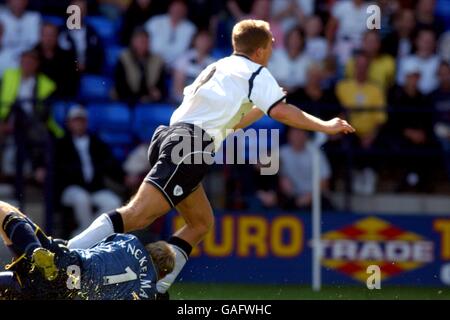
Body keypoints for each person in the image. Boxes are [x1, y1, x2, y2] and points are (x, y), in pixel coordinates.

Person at [67, 19, 355, 299]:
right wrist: (326, 125)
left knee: (201, 222)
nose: (272, 49)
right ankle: (66, 255)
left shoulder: (219, 66)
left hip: (172, 138)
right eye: (271, 45)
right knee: (139, 215)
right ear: (260, 50)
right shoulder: (256, 72)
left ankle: (157, 289)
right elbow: (282, 112)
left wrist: (261, 108)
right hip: (190, 146)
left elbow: (233, 123)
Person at [0, 201, 175, 300]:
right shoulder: (147, 293)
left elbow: (98, 247)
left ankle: (34, 249)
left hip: (68, 265)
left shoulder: (131, 241)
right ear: (162, 274)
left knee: (6, 213)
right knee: (21, 289)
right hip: (70, 294)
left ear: (150, 249)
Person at [54, 106, 123, 237]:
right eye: (75, 120)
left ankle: (84, 234)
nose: (79, 124)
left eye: (81, 120)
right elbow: (56, 168)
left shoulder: (97, 142)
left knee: (113, 202)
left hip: (94, 188)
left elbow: (110, 164)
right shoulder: (61, 144)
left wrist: (123, 177)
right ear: (68, 123)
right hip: (71, 188)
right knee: (81, 198)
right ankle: (88, 236)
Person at [279, 128, 333, 211]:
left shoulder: (316, 153)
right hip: (292, 197)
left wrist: (310, 197)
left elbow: (324, 181)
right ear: (289, 136)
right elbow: (261, 165)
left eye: (300, 133)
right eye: (295, 134)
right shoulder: (282, 152)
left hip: (315, 196)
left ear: (306, 136)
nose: (298, 137)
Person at [114, 28, 165, 103]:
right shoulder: (123, 58)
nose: (145, 45)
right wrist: (138, 98)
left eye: (147, 42)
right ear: (133, 42)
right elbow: (120, 86)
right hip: (126, 100)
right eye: (141, 42)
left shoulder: (157, 60)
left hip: (150, 101)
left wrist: (157, 93)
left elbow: (160, 86)